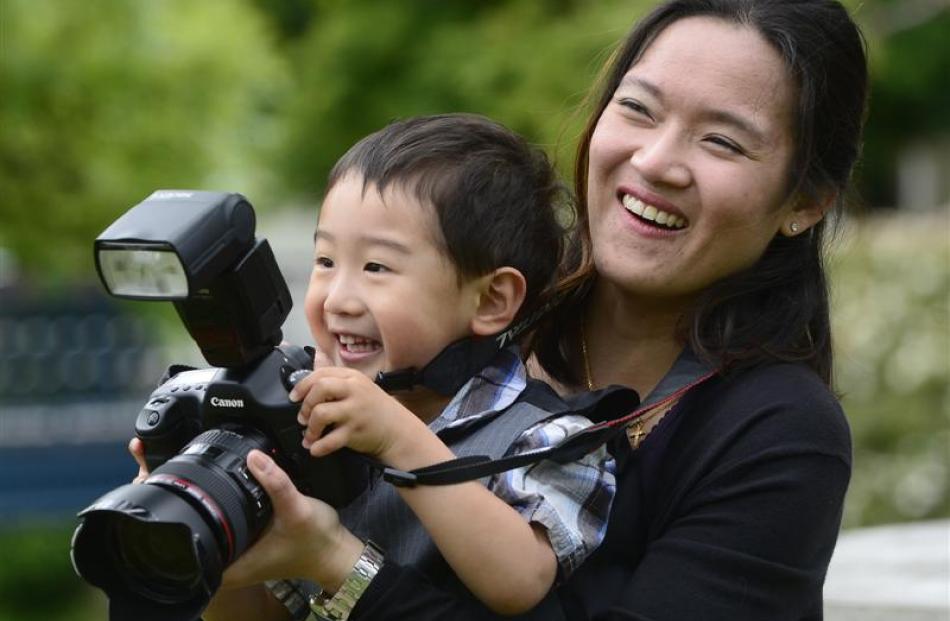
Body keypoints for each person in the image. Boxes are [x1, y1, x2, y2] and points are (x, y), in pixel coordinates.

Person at [131, 0, 869, 618]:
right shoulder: (458, 320)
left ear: (803, 203)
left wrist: (338, 565)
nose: (655, 161)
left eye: (721, 140)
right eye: (638, 109)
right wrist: (222, 525)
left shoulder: (777, 433)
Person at [132, 113, 623, 619]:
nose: (338, 298)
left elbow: (521, 580)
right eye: (325, 261)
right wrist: (206, 529)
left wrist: (397, 438)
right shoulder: (303, 428)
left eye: (376, 267)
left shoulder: (545, 440)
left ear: (491, 300)